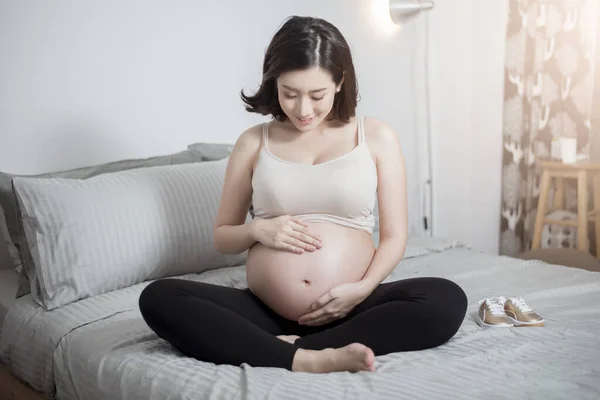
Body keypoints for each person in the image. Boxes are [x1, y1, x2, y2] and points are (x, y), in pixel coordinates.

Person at [139, 15, 467, 374]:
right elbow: (223, 237)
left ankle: (296, 348)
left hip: (351, 307)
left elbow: (394, 236)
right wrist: (257, 231)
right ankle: (311, 359)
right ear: (273, 82)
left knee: (445, 299)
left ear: (340, 82)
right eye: (290, 94)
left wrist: (361, 289)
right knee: (159, 297)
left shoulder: (375, 137)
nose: (303, 109)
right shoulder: (253, 142)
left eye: (317, 95)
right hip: (265, 310)